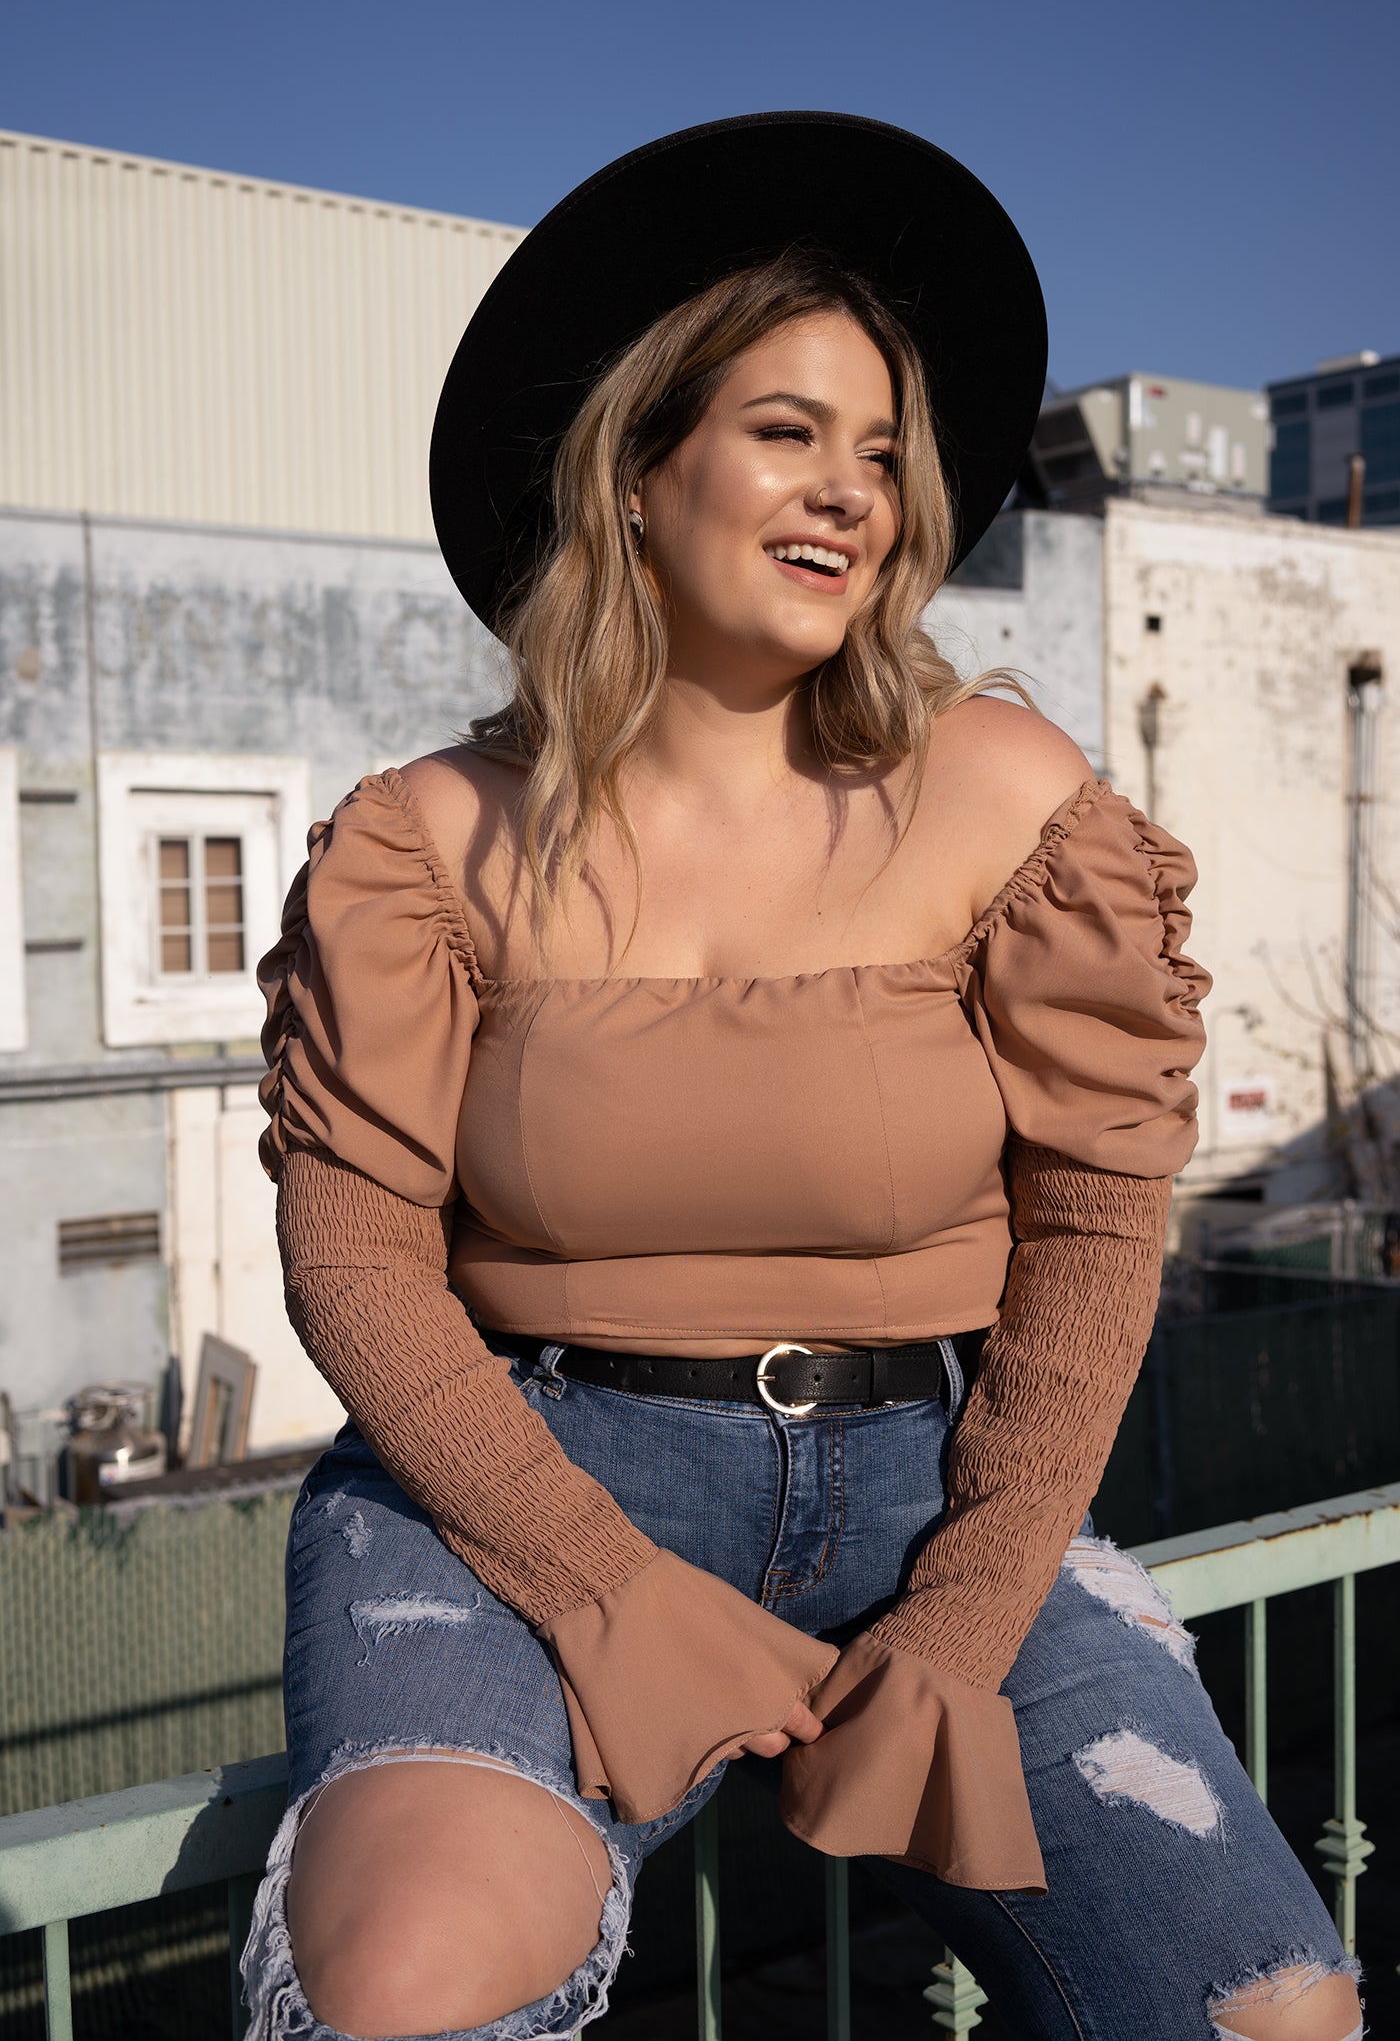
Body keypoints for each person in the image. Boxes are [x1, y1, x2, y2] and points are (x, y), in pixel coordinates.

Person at [243, 115, 1364, 2041]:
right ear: (636, 470)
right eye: (788, 432)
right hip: (511, 1484)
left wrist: (972, 1606)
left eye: (882, 453)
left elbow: (1097, 1233)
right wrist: (596, 1582)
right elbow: (354, 1262)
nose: (853, 491)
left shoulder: (1006, 798)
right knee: (405, 1977)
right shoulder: (428, 843)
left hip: (942, 1496)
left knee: (1276, 2013)